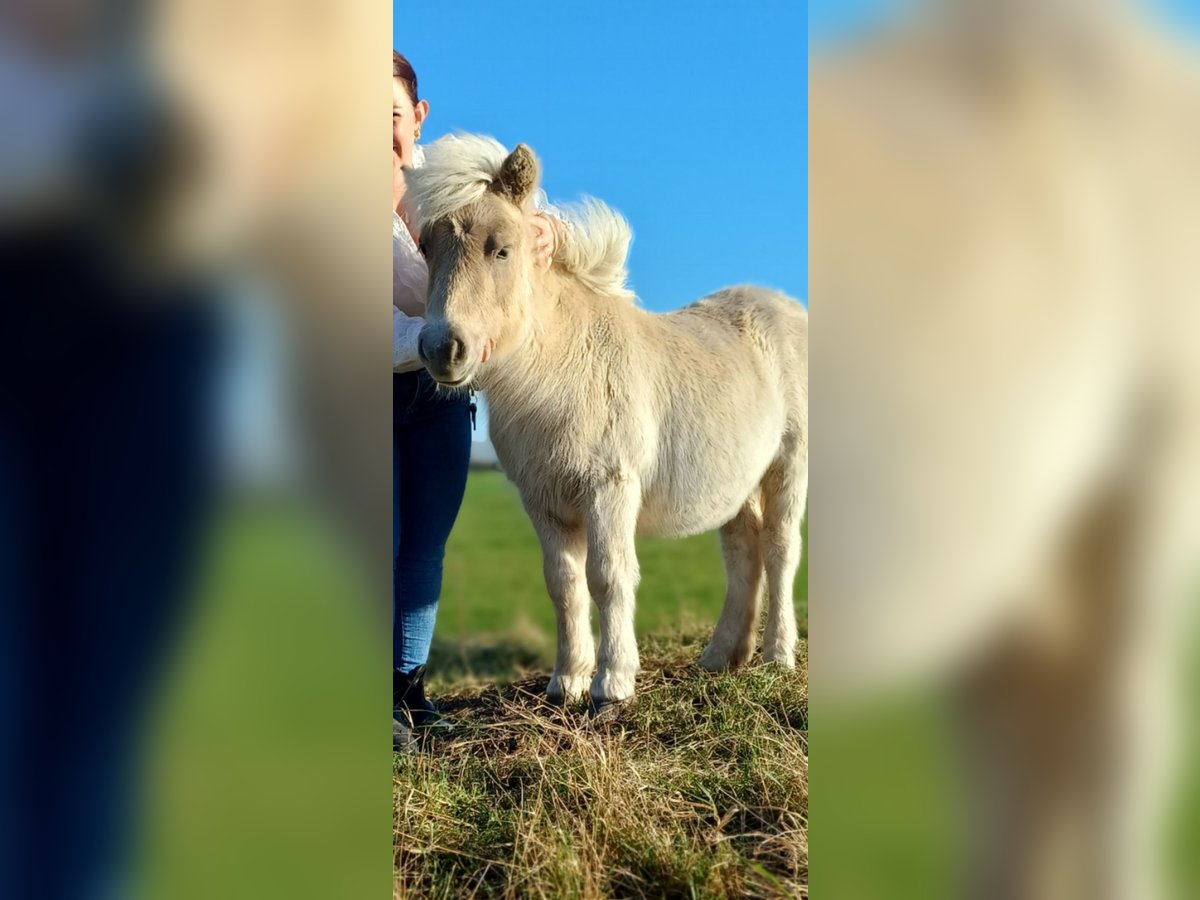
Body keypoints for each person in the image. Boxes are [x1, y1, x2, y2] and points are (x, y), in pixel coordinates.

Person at [392, 50, 561, 750]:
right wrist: (433, 339)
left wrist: (550, 230)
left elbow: (515, 223)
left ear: (418, 116)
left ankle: (406, 691)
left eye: (390, 116)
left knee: (424, 547)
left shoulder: (450, 182)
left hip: (439, 398)